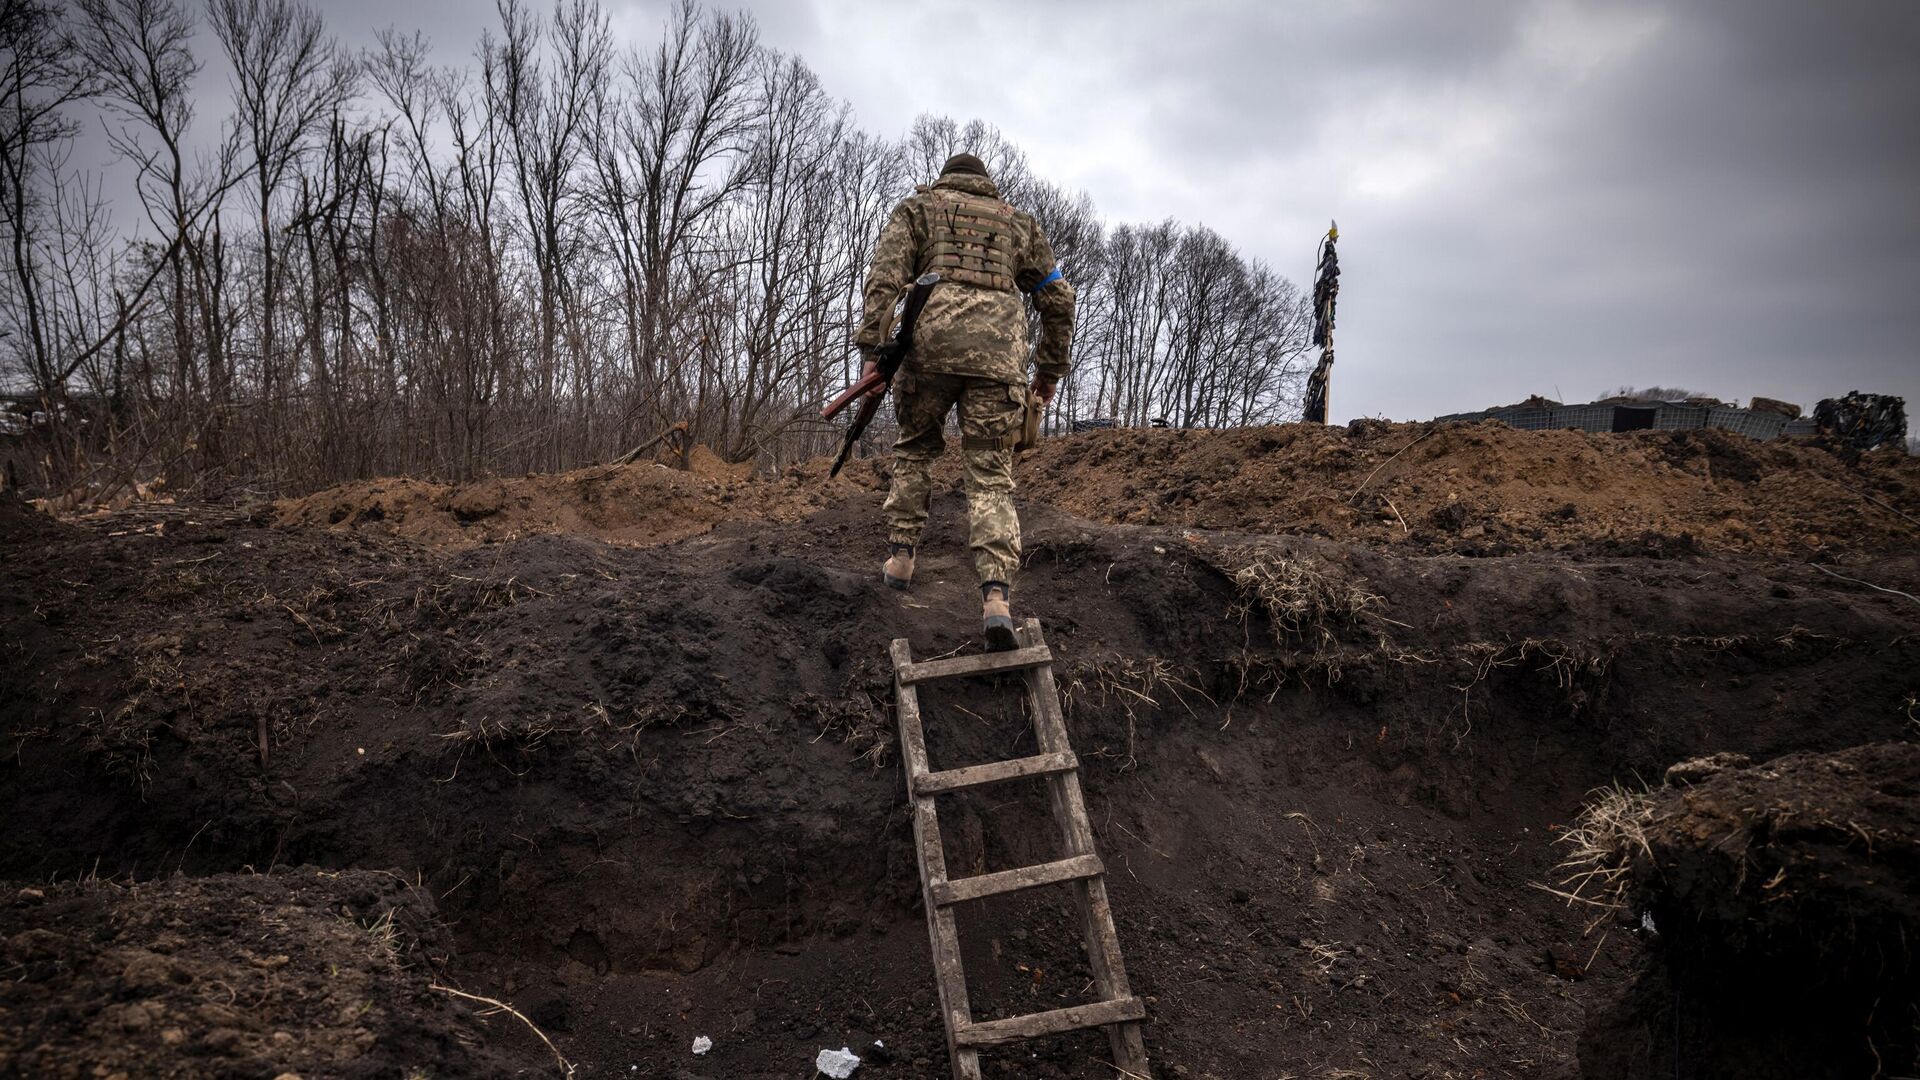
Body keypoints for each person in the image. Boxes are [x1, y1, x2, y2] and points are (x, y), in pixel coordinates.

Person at [853, 152, 1075, 651]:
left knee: (914, 448)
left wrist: (872, 349)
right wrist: (1048, 372)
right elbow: (1058, 299)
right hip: (998, 361)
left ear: (946, 178)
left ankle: (902, 560)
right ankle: (996, 598)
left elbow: (884, 279)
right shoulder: (1019, 225)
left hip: (927, 352)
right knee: (991, 474)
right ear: (986, 185)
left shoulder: (917, 210)